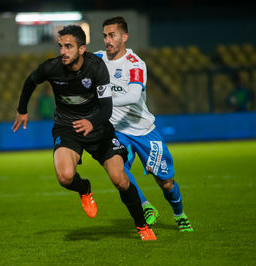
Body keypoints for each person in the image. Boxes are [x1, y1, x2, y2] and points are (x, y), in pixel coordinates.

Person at [12, 25, 156, 240]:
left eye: (68, 46)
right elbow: (30, 81)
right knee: (65, 177)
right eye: (61, 46)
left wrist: (92, 122)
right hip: (67, 127)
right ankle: (84, 188)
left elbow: (106, 108)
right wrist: (22, 110)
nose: (63, 51)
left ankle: (143, 227)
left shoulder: (96, 67)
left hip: (98, 128)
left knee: (120, 180)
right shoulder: (51, 68)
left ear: (81, 49)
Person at [95, 17, 193, 232]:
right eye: (105, 35)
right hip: (117, 130)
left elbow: (132, 96)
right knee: (116, 170)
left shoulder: (135, 64)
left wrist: (102, 101)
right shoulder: (97, 59)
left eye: (112, 35)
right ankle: (145, 206)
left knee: (165, 182)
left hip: (143, 130)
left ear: (124, 37)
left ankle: (179, 213)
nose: (107, 40)